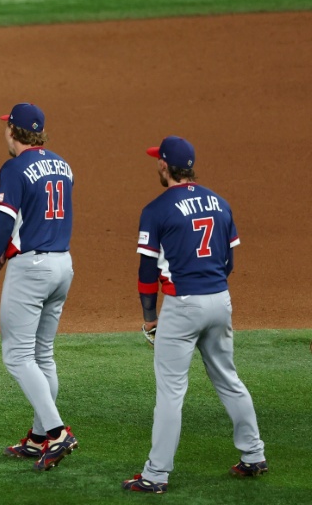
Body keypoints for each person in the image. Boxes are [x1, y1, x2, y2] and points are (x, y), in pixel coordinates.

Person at [122, 136, 266, 494]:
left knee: (170, 393)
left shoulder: (156, 210)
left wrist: (150, 316)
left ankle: (155, 475)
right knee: (229, 379)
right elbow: (229, 260)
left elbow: (146, 273)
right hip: (219, 300)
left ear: (164, 166)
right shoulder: (220, 203)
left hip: (182, 306)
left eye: (158, 160)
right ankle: (254, 455)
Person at [0, 103, 77, 471]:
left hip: (32, 270)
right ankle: (39, 437)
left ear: (13, 131)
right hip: (62, 265)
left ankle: (58, 432)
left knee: (16, 356)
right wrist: (2, 258)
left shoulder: (14, 168)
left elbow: (4, 223)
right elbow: (37, 218)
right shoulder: (63, 165)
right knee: (42, 354)